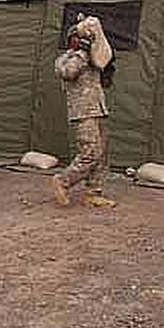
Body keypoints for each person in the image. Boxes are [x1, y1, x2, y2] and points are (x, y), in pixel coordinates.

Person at [51, 22, 116, 208]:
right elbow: (68, 73)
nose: (80, 41)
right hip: (82, 112)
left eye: (83, 38)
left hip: (98, 108)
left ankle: (93, 193)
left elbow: (105, 74)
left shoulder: (92, 56)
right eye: (77, 38)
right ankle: (63, 181)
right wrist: (83, 53)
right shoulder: (65, 59)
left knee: (101, 153)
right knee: (89, 151)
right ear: (70, 40)